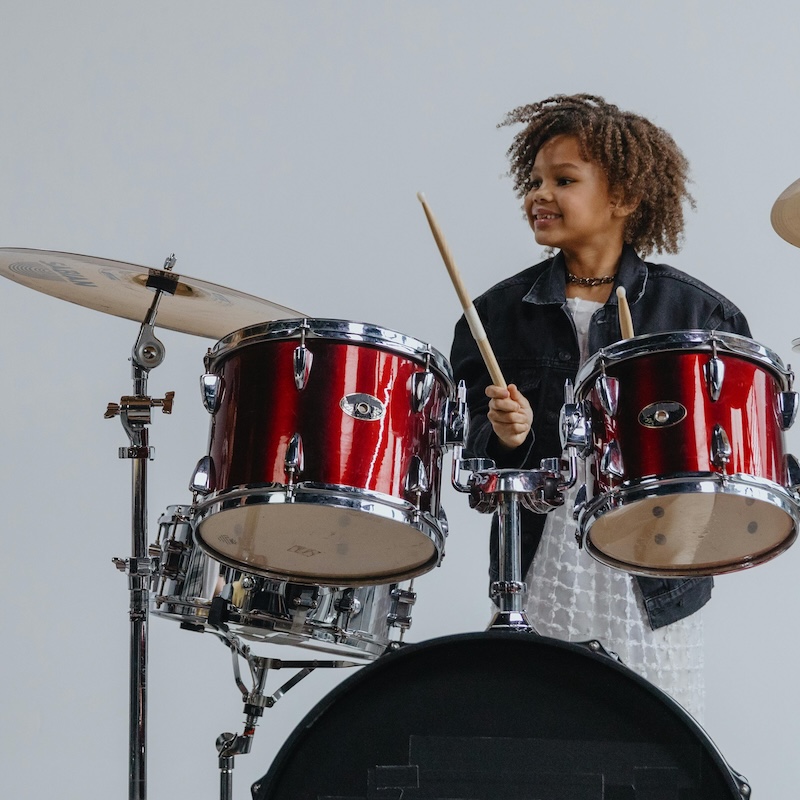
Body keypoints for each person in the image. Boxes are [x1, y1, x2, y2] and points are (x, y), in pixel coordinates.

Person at [449, 94, 750, 720]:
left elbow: (744, 435)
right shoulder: (496, 316)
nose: (540, 193)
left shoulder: (700, 316)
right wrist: (507, 438)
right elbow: (472, 457)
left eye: (564, 180)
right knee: (541, 751)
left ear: (625, 198)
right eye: (534, 180)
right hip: (543, 563)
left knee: (659, 755)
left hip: (653, 579)